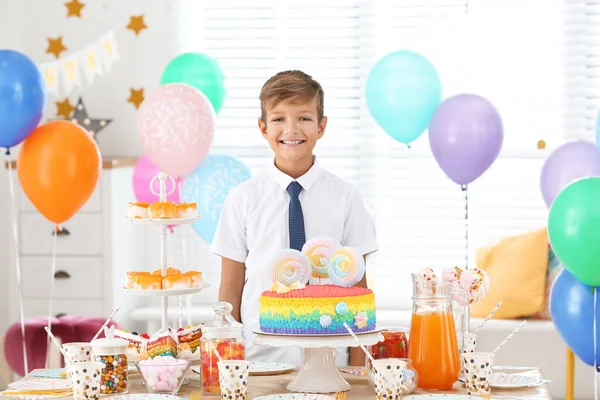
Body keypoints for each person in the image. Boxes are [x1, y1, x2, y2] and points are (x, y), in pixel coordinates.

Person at [211, 70, 378, 366]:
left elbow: (358, 288)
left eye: (303, 118)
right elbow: (231, 287)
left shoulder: (346, 197)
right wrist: (230, 360)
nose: (291, 129)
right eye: (278, 119)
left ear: (321, 126)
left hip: (330, 357)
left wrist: (357, 366)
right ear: (263, 128)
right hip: (258, 358)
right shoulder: (243, 198)